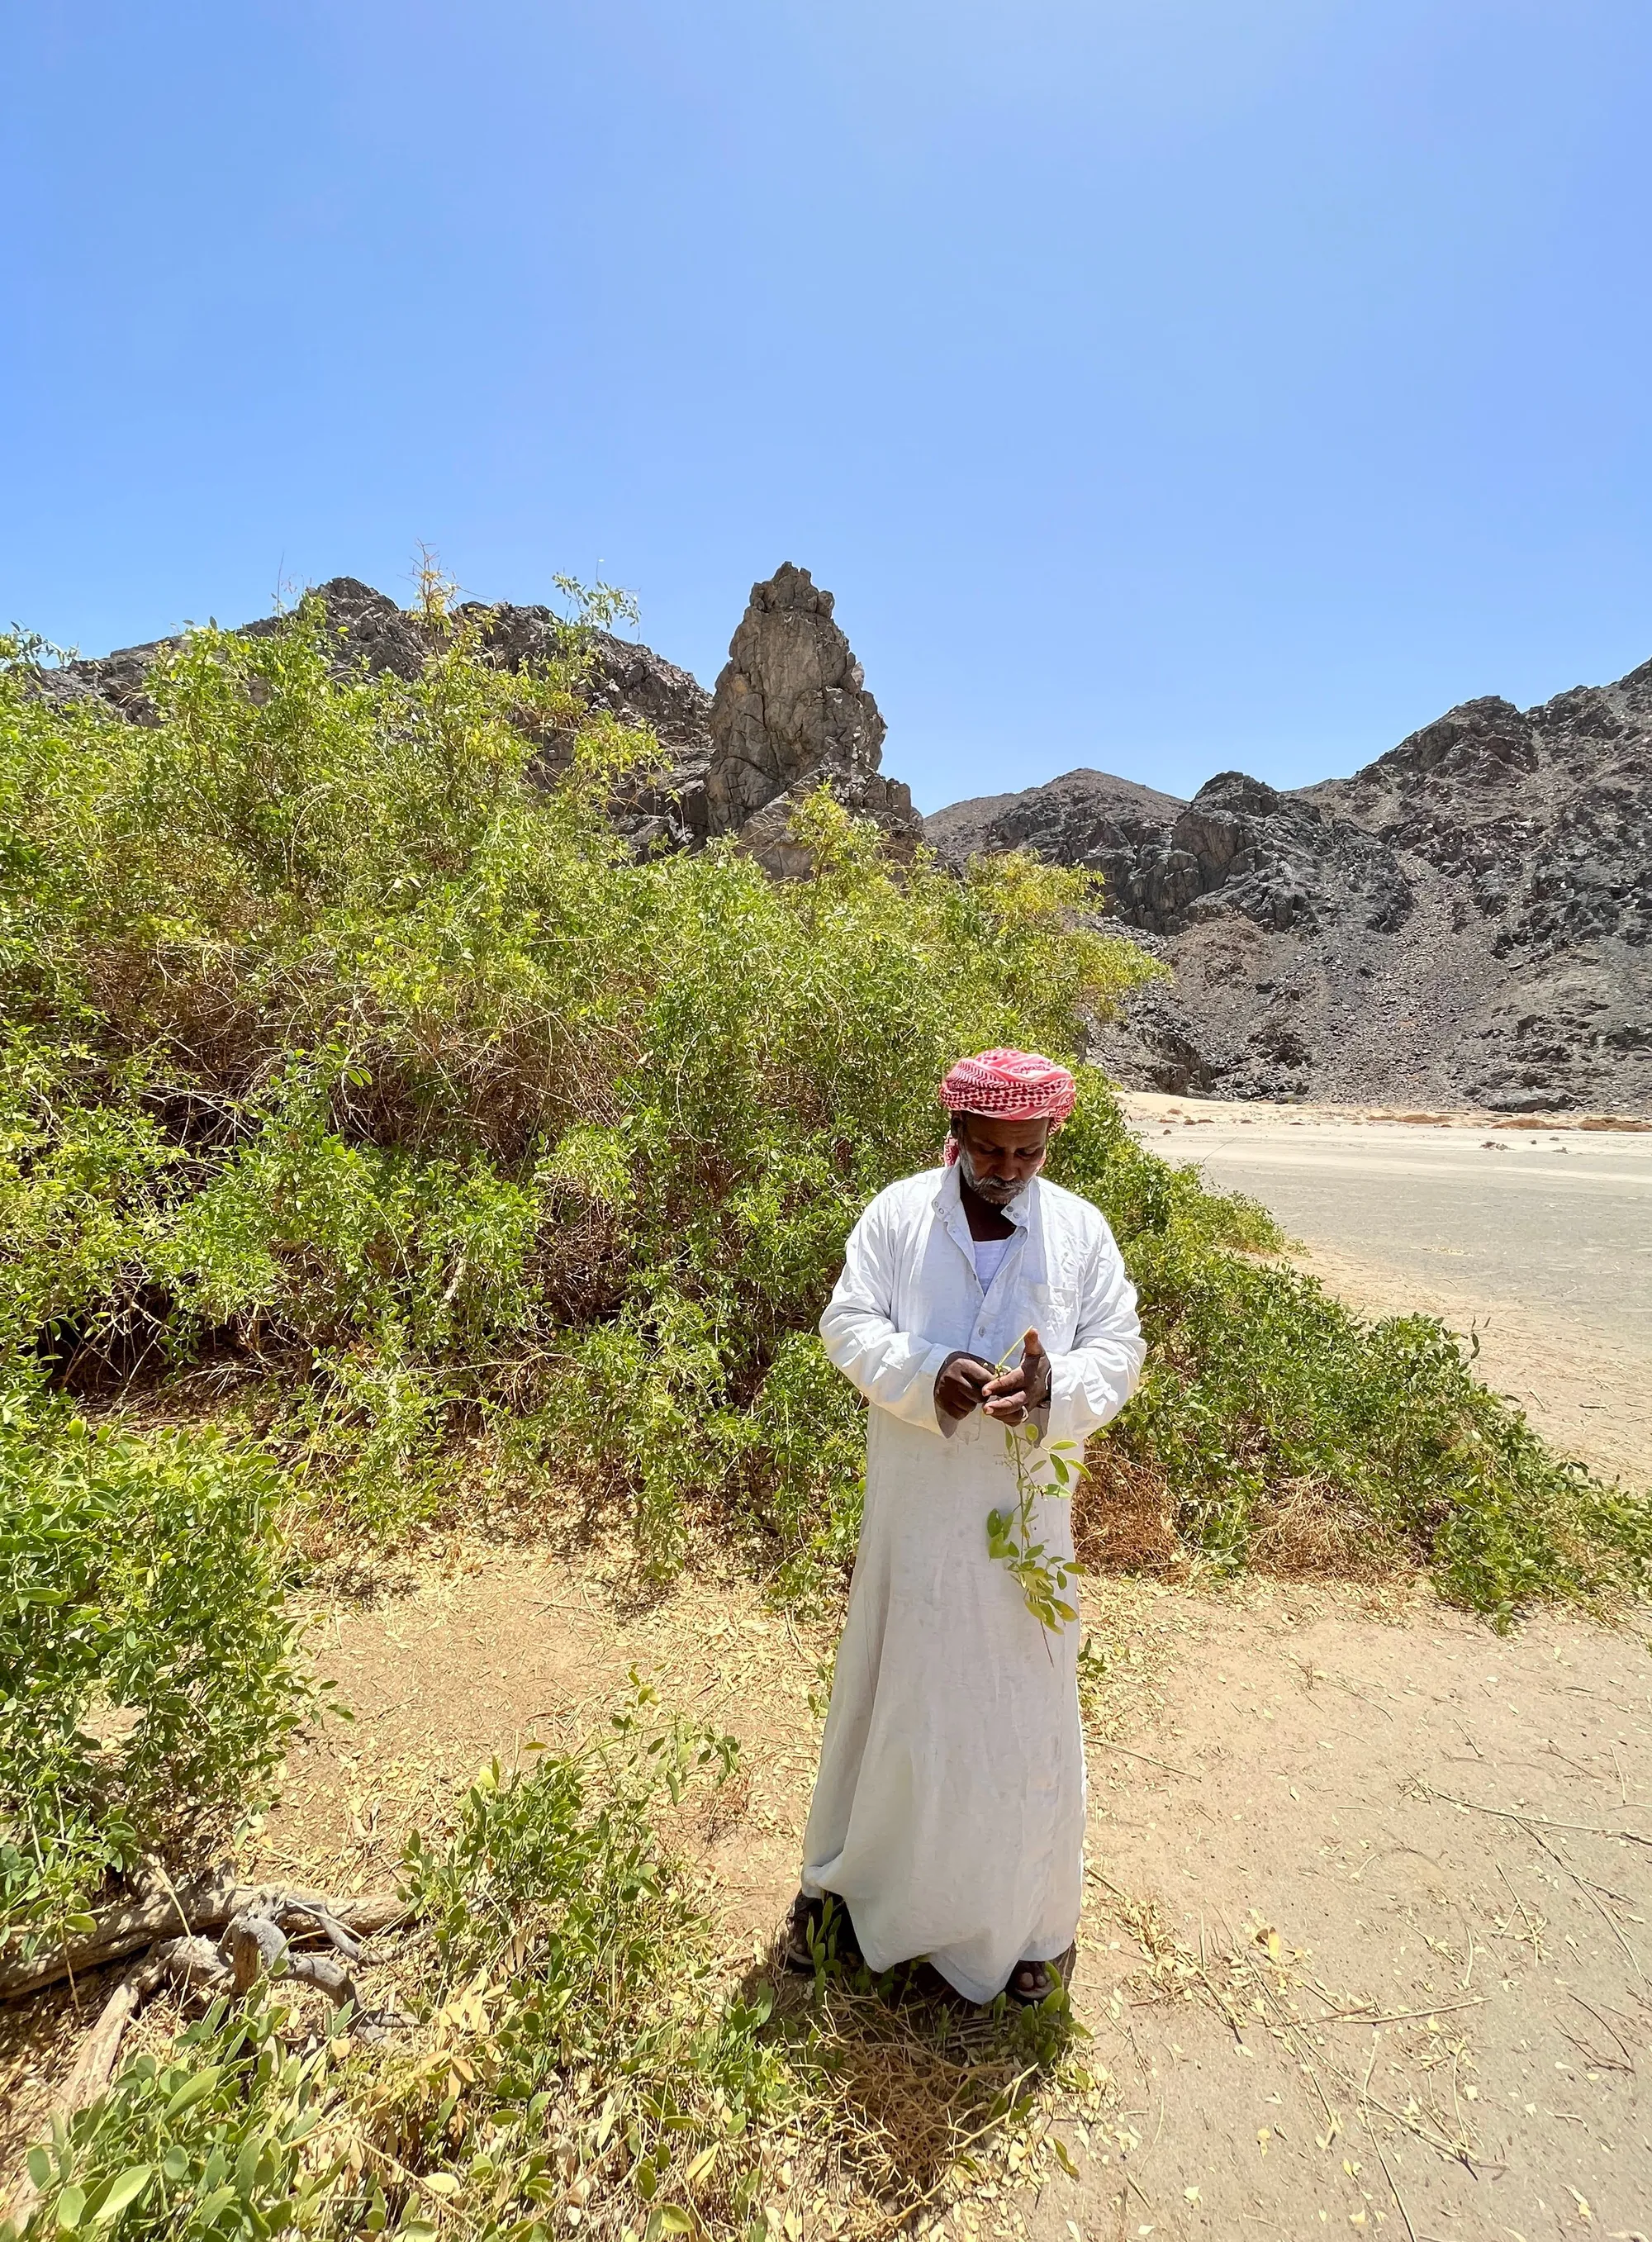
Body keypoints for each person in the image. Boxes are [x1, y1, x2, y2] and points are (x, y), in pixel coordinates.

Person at [786, 1048, 1145, 2005]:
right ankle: (845, 1892)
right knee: (894, 1693)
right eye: (988, 1150)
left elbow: (1118, 1348)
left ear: (1049, 1138)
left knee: (1016, 1712)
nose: (1006, 1167)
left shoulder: (1079, 1233)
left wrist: (1052, 1388)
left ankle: (1025, 1924)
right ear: (956, 1137)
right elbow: (846, 1322)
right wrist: (924, 1369)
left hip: (1026, 1532)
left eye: (1025, 1151)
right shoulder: (899, 1215)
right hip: (914, 1510)